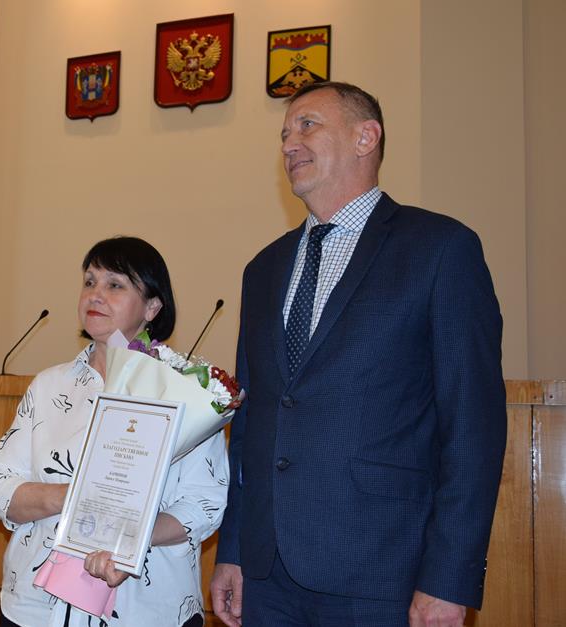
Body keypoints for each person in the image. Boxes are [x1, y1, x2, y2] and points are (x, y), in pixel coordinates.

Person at [211, 81, 507, 626]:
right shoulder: (264, 268)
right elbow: (252, 426)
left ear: (365, 138)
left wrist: (449, 578)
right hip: (267, 574)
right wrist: (232, 548)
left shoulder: (440, 249)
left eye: (307, 125)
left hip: (384, 572)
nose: (289, 144)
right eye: (284, 134)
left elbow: (473, 427)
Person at [0, 236, 229, 627]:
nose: (95, 295)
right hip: (35, 608)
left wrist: (131, 538)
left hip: (145, 610)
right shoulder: (49, 386)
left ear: (152, 307)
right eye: (89, 282)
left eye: (115, 285)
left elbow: (205, 504)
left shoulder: (186, 393)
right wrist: (74, 497)